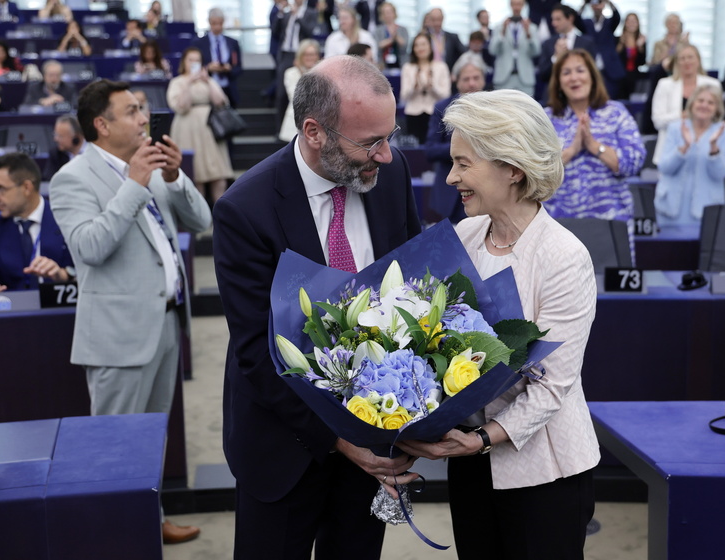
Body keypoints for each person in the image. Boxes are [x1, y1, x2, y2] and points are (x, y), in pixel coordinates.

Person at [213, 55, 421, 559]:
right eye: (370, 142)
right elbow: (258, 356)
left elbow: (412, 292)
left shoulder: (389, 177)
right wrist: (345, 444)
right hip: (283, 448)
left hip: (374, 437)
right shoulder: (246, 209)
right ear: (314, 132)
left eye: (389, 136)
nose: (386, 155)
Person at [398, 89, 600, 560]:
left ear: (512, 168)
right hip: (469, 463)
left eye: (463, 164)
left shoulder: (565, 257)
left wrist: (479, 440)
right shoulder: (463, 235)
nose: (451, 177)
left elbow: (552, 387)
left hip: (544, 472)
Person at [48, 79, 211, 543]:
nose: (144, 119)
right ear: (102, 125)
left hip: (164, 324)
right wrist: (135, 184)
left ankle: (148, 521)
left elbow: (203, 222)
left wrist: (175, 178)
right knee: (111, 446)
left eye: (142, 109)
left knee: (151, 438)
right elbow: (90, 248)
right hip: (118, 336)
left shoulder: (150, 166)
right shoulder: (72, 178)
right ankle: (113, 537)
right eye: (132, 111)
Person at [543, 49, 646, 227]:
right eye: (566, 73)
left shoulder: (616, 112)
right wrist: (572, 150)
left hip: (612, 221)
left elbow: (635, 162)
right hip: (559, 224)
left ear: (592, 76)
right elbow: (537, 173)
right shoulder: (546, 119)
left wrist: (593, 145)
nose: (574, 78)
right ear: (559, 82)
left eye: (580, 70)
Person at [653, 84, 725, 225]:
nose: (704, 105)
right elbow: (665, 168)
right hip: (669, 210)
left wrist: (714, 147)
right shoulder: (676, 128)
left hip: (705, 211)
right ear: (692, 104)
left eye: (711, 102)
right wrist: (684, 148)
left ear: (717, 109)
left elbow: (720, 173)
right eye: (700, 100)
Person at [166, 47, 234, 206]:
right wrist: (188, 83)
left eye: (197, 60)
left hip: (210, 129)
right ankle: (199, 220)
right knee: (195, 176)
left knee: (218, 174)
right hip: (187, 129)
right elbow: (181, 106)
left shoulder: (209, 80)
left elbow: (221, 102)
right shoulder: (177, 82)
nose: (194, 63)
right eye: (190, 60)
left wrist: (208, 80)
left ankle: (221, 217)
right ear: (184, 62)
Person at [424, 53, 486, 224]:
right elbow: (430, 150)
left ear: (483, 79)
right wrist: (465, 149)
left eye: (476, 78)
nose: (472, 83)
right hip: (450, 194)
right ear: (456, 80)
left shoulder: (495, 109)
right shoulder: (442, 108)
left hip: (486, 194)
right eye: (466, 79)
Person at [0, 152, 73, 292]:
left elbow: (83, 271)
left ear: (27, 187)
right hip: (11, 310)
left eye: (1, 189)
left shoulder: (65, 220)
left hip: (60, 310)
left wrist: (63, 274)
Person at [651, 43, 721, 164]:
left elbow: (718, 117)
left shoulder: (713, 84)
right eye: (682, 58)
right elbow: (658, 121)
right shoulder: (665, 84)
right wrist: (683, 115)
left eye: (690, 57)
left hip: (703, 150)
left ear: (698, 60)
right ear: (676, 63)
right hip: (670, 150)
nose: (686, 61)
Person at [272, 0, 319, 135]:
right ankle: (280, 130)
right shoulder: (287, 14)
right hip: (286, 55)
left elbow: (309, 31)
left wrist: (298, 16)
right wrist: (280, 13)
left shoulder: (310, 12)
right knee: (281, 94)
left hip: (304, 54)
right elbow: (275, 32)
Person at [400, 32, 450, 141]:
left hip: (435, 113)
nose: (420, 48)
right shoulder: (408, 67)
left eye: (423, 44)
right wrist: (414, 87)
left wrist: (432, 87)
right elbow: (404, 96)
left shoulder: (441, 67)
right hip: (413, 114)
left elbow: (446, 95)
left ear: (430, 47)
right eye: (416, 45)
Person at [191, 8, 242, 107]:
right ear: (209, 22)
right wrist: (207, 68)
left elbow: (239, 67)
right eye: (214, 23)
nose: (217, 27)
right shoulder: (198, 43)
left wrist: (229, 69)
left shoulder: (233, 43)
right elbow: (193, 67)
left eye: (220, 23)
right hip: (207, 88)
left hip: (229, 89)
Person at [488, 0, 540, 97]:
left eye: (519, 4)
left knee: (526, 107)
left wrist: (528, 33)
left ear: (523, 6)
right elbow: (493, 50)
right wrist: (502, 33)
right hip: (504, 77)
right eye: (514, 4)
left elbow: (536, 52)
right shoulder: (499, 27)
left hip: (524, 77)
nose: (516, 8)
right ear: (510, 5)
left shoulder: (531, 27)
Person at [537, 4, 596, 87]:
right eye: (552, 19)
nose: (554, 23)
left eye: (558, 19)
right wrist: (555, 57)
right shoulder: (548, 43)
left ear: (570, 18)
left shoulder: (587, 43)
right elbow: (543, 75)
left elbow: (592, 71)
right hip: (554, 94)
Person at [578, 0, 624, 100]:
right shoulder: (587, 23)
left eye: (599, 3)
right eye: (594, 4)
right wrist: (585, 3)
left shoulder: (609, 22)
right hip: (591, 65)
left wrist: (609, 3)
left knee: (610, 96)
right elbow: (576, 20)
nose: (596, 7)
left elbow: (617, 17)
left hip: (609, 69)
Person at [278, 39, 320, 143]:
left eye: (313, 54)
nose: (310, 58)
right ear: (300, 56)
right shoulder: (291, 73)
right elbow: (296, 97)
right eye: (306, 54)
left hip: (319, 124)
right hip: (295, 124)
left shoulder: (323, 73)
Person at [43, 114, 86, 180]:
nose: (55, 139)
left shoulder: (95, 152)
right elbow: (49, 180)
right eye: (55, 134)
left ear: (76, 138)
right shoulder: (56, 154)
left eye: (60, 136)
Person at [616, 12, 646, 99]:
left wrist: (639, 47)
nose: (631, 24)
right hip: (620, 77)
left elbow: (642, 62)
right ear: (625, 23)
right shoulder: (618, 39)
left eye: (634, 21)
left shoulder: (641, 40)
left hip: (635, 77)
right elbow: (615, 59)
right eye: (629, 21)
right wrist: (621, 44)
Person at [372, 2, 407, 69]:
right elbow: (377, 45)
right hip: (382, 64)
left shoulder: (403, 29)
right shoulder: (378, 30)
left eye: (389, 12)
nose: (387, 15)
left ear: (394, 13)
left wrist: (396, 37)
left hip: (401, 63)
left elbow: (405, 45)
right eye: (384, 12)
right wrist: (391, 39)